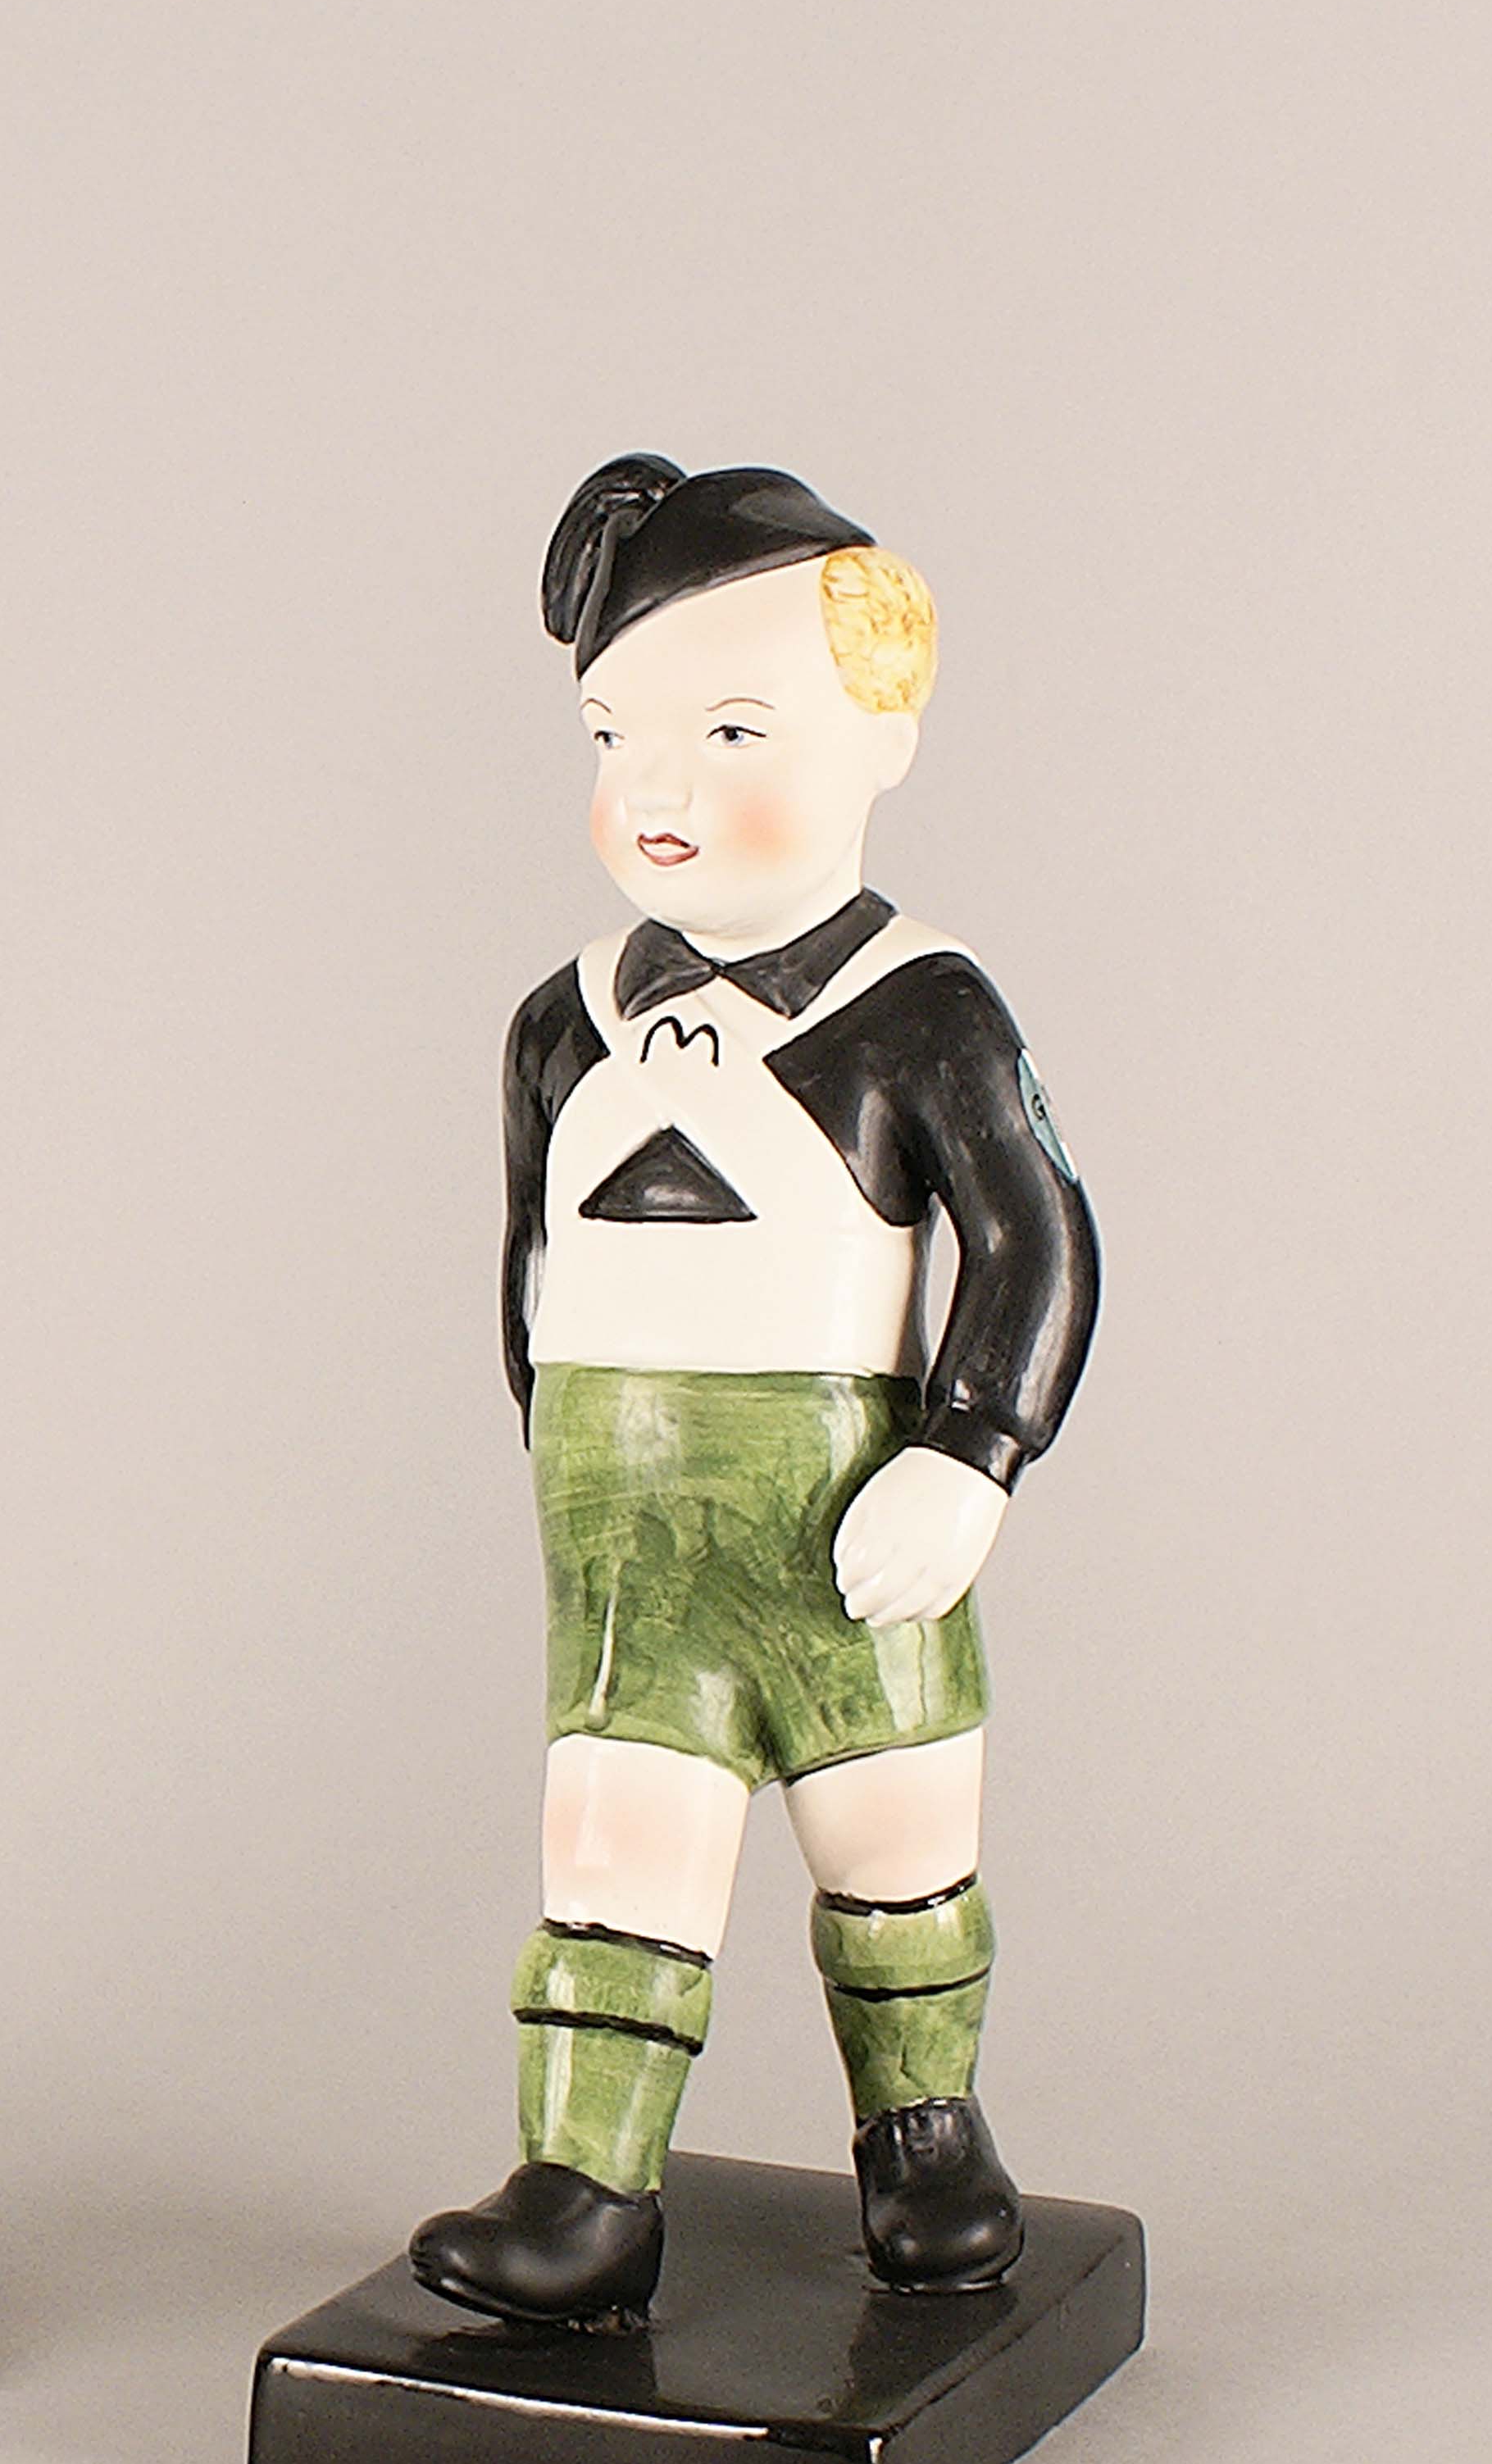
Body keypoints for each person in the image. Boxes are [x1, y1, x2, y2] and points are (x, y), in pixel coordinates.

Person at [407, 460, 1099, 2330]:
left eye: (730, 730)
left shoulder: (915, 1011)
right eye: (615, 733)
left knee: (892, 1837)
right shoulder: (563, 1023)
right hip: (624, 1528)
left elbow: (1035, 1242)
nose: (660, 785)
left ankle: (923, 2130)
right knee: (613, 1845)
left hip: (839, 1504)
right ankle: (586, 2182)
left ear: (882, 732)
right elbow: (530, 1261)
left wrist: (968, 1453)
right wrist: (572, 1454)